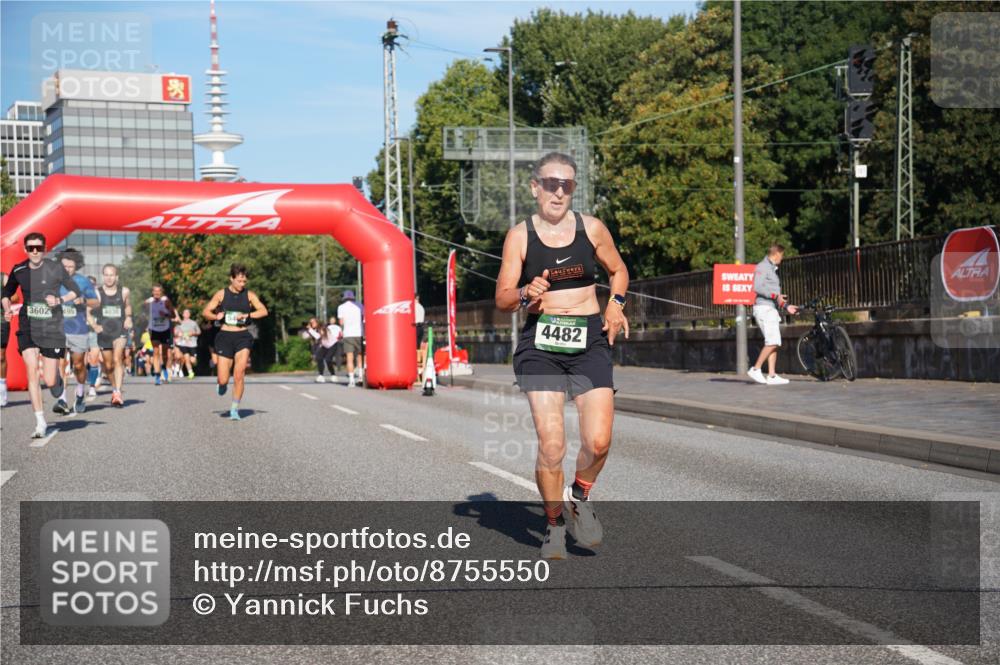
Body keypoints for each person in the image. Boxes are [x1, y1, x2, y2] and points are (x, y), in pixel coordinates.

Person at [494, 152, 630, 560]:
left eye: (566, 184)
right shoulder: (520, 236)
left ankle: (580, 497)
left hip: (589, 340)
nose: (558, 191)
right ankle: (553, 527)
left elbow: (619, 271)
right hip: (542, 346)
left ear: (573, 189)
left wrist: (615, 305)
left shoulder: (592, 229)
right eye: (551, 183)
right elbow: (502, 297)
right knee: (552, 445)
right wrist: (523, 293)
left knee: (599, 441)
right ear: (535, 187)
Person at [1, 233, 82, 438]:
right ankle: (40, 422)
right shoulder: (19, 269)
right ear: (25, 250)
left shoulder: (55, 268)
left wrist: (60, 300)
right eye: (31, 248)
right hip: (28, 325)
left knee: (49, 380)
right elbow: (6, 292)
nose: (35, 251)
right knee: (31, 370)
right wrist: (6, 308)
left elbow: (75, 291)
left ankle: (57, 382)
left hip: (52, 327)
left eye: (38, 248)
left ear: (45, 249)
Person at [202, 263, 268, 420]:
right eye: (239, 281)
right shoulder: (221, 294)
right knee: (223, 378)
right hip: (225, 336)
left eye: (244, 281)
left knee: (239, 374)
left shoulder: (249, 295)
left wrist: (248, 316)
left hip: (242, 336)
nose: (242, 284)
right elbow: (206, 311)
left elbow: (263, 311)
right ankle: (222, 384)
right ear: (231, 279)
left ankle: (234, 409)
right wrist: (215, 317)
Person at [54, 248, 99, 415]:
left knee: (79, 364)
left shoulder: (82, 281)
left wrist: (84, 300)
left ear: (76, 266)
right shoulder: (54, 281)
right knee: (60, 363)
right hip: (58, 329)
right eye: (64, 265)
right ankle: (63, 399)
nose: (67, 269)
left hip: (78, 329)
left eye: (70, 266)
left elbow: (95, 302)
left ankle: (80, 393)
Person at [748, 243, 799, 386]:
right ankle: (755, 368)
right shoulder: (762, 267)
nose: (782, 259)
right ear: (776, 254)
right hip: (764, 309)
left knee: (774, 342)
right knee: (773, 341)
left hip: (770, 308)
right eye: (781, 256)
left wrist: (786, 306)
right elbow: (757, 287)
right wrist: (775, 296)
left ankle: (771, 375)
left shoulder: (770, 269)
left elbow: (775, 296)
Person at [91, 263, 132, 407]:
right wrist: (95, 325)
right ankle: (114, 388)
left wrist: (128, 318)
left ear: (117, 276)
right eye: (106, 275)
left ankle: (118, 392)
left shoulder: (124, 291)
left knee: (117, 358)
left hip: (120, 331)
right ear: (103, 276)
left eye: (112, 275)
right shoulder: (97, 292)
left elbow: (127, 306)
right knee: (108, 366)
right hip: (104, 332)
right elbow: (88, 310)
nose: (109, 278)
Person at [144, 284, 175, 385]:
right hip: (154, 329)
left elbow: (173, 314)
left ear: (161, 292)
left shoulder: (166, 301)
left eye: (159, 291)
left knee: (165, 354)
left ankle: (164, 368)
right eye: (155, 291)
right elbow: (142, 311)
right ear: (152, 292)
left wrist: (165, 314)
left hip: (165, 329)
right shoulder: (149, 301)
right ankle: (157, 375)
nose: (157, 293)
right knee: (156, 352)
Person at [337, 290, 364, 387]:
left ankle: (351, 380)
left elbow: (341, 322)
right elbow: (363, 318)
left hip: (348, 334)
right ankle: (361, 377)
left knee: (349, 357)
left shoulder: (341, 307)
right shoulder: (360, 305)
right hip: (360, 333)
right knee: (360, 356)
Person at [175, 309, 200, 379]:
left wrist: (193, 333)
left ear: (189, 314)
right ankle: (190, 373)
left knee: (193, 360)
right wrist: (178, 334)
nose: (186, 314)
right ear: (183, 315)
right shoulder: (180, 323)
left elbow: (199, 332)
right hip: (183, 344)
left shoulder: (193, 323)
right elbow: (176, 332)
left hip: (192, 344)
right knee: (186, 358)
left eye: (188, 313)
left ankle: (194, 364)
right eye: (185, 313)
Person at [0, 271, 9, 407]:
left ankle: (2, 387)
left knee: (1, 356)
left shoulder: (3, 277)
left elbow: (14, 298)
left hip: (1, 321)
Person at [414, 294, 428, 372]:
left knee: (414, 346)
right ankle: (418, 360)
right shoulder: (422, 307)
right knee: (418, 345)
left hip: (415, 327)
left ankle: (415, 362)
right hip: (421, 328)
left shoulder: (414, 307)